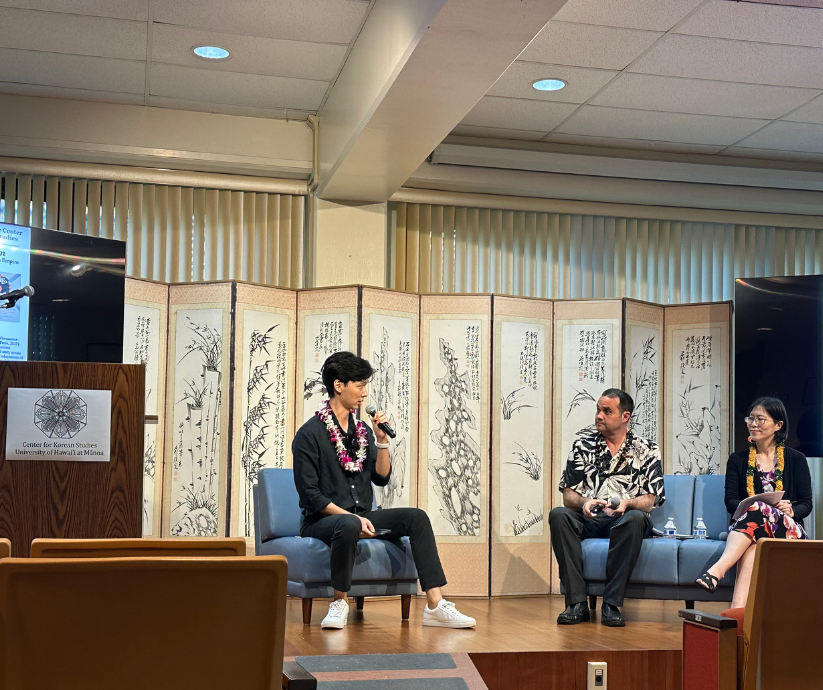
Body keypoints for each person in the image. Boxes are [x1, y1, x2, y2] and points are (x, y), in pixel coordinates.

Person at [292, 351, 476, 630]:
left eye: (366, 385)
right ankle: (339, 602)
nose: (365, 393)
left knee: (417, 518)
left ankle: (436, 605)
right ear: (339, 386)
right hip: (322, 522)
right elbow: (311, 496)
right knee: (347, 523)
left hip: (363, 515)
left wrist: (381, 441)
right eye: (360, 385)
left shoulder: (363, 430)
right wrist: (352, 518)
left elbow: (380, 478)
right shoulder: (309, 435)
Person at [549, 388, 665, 627]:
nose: (599, 416)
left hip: (625, 520)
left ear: (625, 417)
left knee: (634, 518)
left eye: (607, 411)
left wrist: (628, 503)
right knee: (559, 515)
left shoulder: (647, 449)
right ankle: (576, 603)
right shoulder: (583, 445)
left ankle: (611, 604)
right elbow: (568, 495)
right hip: (591, 519)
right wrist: (584, 502)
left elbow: (651, 499)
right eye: (598, 410)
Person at [695, 397, 813, 607]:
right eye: (751, 419)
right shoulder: (737, 460)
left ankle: (717, 570)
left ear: (778, 425)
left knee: (758, 508)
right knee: (752, 540)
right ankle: (738, 613)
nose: (753, 424)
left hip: (788, 530)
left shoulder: (796, 459)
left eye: (760, 419)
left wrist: (791, 510)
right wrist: (752, 506)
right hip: (749, 526)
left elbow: (806, 504)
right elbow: (730, 502)